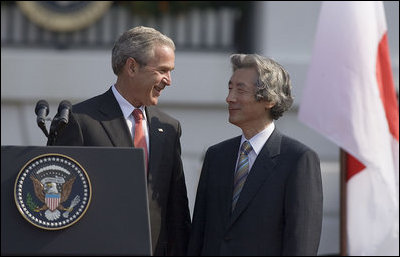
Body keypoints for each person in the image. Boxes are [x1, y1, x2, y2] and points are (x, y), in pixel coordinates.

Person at [50, 26, 191, 256]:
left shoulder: (169, 128)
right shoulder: (80, 121)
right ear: (132, 67)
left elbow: (177, 209)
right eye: (163, 70)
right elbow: (63, 199)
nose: (169, 80)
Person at [187, 54, 323, 256]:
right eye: (230, 88)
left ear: (269, 99)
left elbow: (300, 242)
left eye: (240, 89)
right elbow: (198, 234)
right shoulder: (216, 156)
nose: (229, 98)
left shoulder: (298, 160)